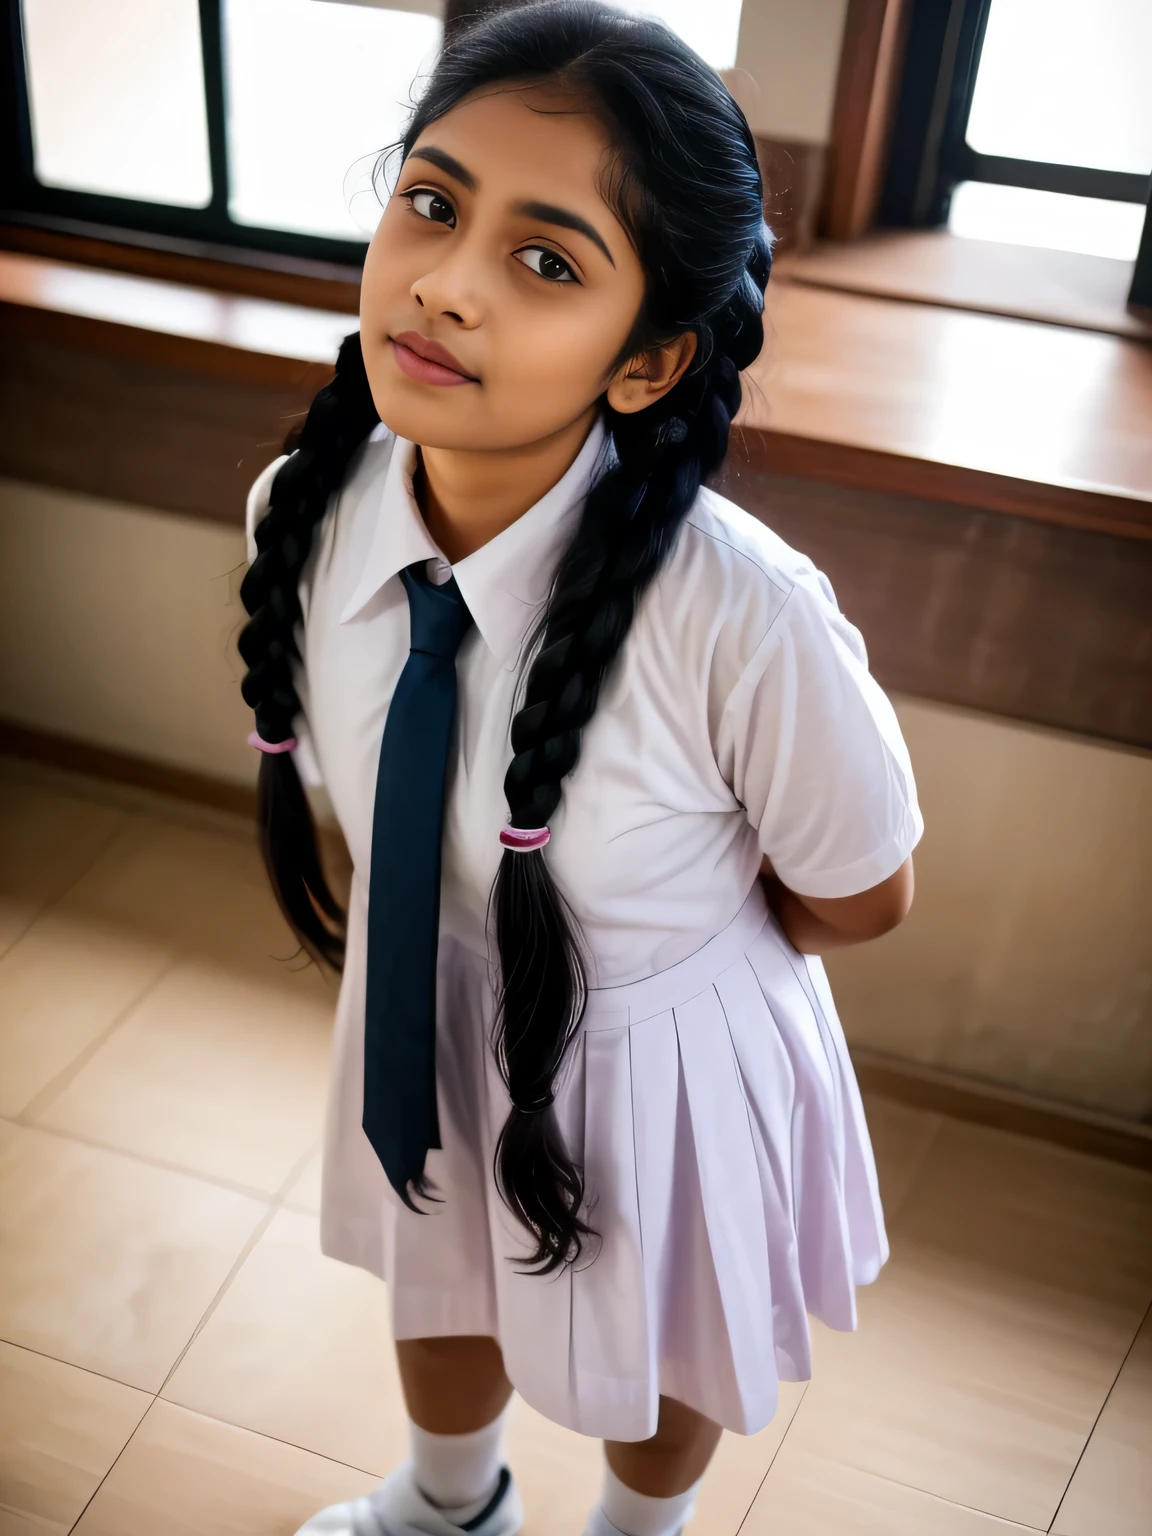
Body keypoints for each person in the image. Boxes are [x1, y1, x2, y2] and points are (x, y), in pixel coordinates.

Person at [238, 4, 922, 1533]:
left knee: (658, 1343)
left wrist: (668, 957)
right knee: (443, 1257)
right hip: (431, 983)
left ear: (648, 360)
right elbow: (365, 800)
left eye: (547, 262)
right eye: (431, 202)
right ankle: (446, 1505)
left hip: (660, 1048)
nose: (446, 287)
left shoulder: (736, 612)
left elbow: (863, 894)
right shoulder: (306, 508)